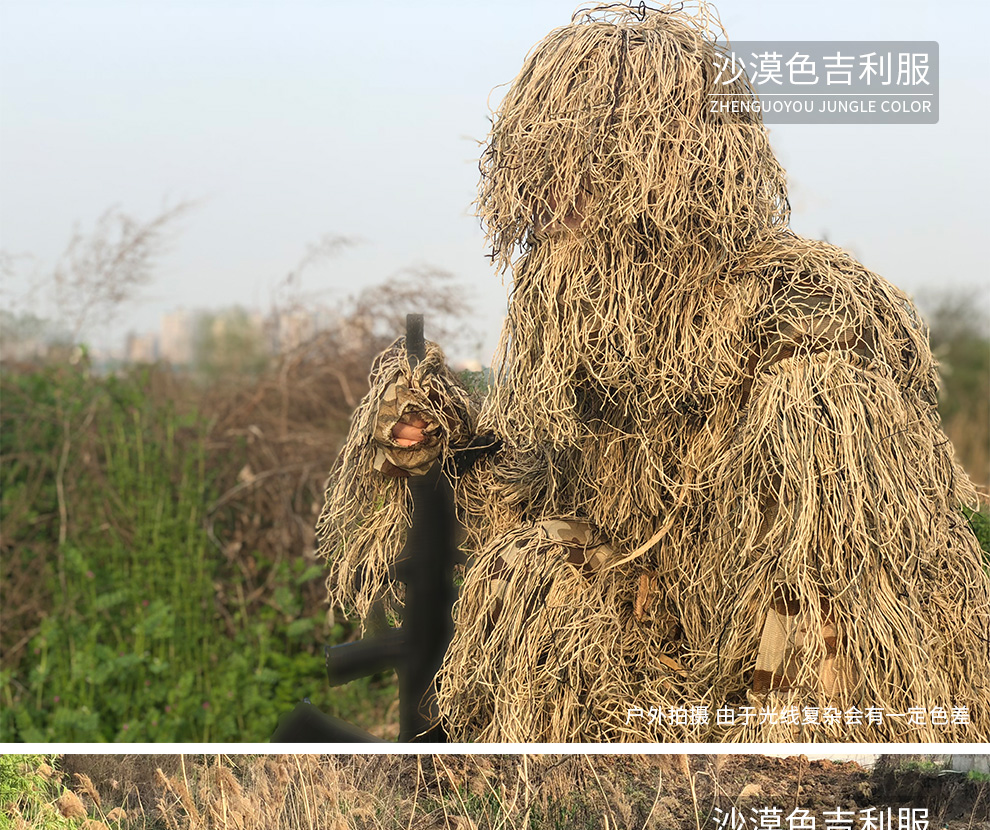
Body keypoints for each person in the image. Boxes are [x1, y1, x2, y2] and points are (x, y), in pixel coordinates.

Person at [317, 3, 990, 743]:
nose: (553, 216)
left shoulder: (808, 356)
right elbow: (540, 489)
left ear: (670, 178)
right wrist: (444, 443)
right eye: (542, 188)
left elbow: (828, 620)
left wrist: (747, 772)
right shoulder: (610, 348)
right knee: (532, 577)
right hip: (662, 654)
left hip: (788, 696)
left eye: (584, 183)